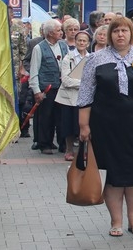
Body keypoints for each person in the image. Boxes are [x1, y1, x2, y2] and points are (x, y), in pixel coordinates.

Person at [77, 16, 133, 237]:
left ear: (132, 34)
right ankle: (116, 221)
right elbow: (85, 94)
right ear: (110, 35)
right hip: (105, 125)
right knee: (115, 175)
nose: (120, 35)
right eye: (116, 31)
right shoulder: (96, 59)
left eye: (124, 31)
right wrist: (84, 125)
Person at [29, 19, 67, 155]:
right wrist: (36, 91)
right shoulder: (39, 48)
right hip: (46, 88)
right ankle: (45, 143)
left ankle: (63, 144)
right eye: (58, 30)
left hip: (61, 88)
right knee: (46, 117)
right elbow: (34, 71)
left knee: (61, 117)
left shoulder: (63, 46)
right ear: (50, 33)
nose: (61, 33)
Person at [56, 30, 90, 161]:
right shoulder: (68, 58)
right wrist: (85, 83)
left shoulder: (91, 58)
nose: (81, 43)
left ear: (88, 43)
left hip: (85, 98)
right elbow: (66, 81)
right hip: (69, 98)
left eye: (84, 41)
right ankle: (69, 150)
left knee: (84, 125)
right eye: (79, 40)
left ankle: (84, 151)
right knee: (68, 125)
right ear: (75, 42)